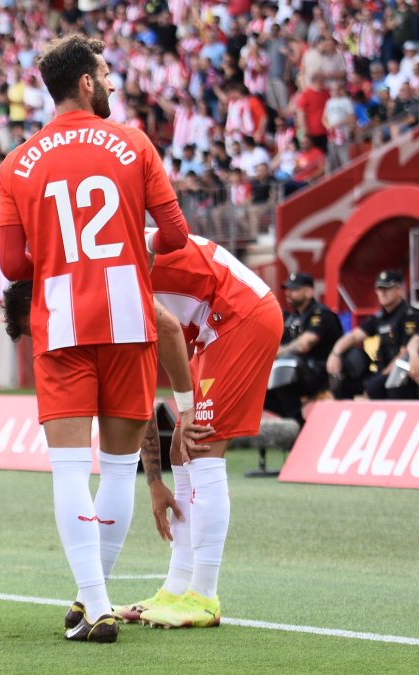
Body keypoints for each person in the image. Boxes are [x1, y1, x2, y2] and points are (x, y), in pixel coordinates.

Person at [0, 34, 189, 643]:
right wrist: (132, 254)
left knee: (70, 470)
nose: (109, 83)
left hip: (63, 324)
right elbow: (176, 235)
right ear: (85, 82)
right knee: (117, 466)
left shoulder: (18, 161)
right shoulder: (133, 142)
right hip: (129, 320)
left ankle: (95, 603)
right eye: (104, 73)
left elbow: (13, 265)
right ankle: (92, 597)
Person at [117, 232, 280, 628]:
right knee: (182, 450)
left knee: (201, 444)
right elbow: (141, 396)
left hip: (239, 314)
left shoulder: (109, 273)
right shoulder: (103, 271)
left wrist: (188, 411)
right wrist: (155, 481)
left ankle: (204, 596)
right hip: (212, 325)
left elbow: (167, 334)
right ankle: (177, 587)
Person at [264, 272, 343, 425]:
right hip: (294, 374)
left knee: (284, 369)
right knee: (257, 391)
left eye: (294, 289)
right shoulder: (291, 317)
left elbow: (305, 344)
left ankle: (298, 426)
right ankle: (298, 422)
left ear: (309, 292)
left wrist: (276, 353)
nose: (288, 293)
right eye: (287, 289)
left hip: (321, 373)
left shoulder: (321, 314)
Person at [327, 270, 419, 400]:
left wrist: (381, 376)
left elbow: (404, 353)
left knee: (377, 385)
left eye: (387, 288)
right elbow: (354, 336)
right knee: (344, 385)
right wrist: (335, 353)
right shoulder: (379, 317)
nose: (382, 293)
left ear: (399, 290)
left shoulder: (411, 316)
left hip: (402, 372)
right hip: (381, 370)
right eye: (379, 289)